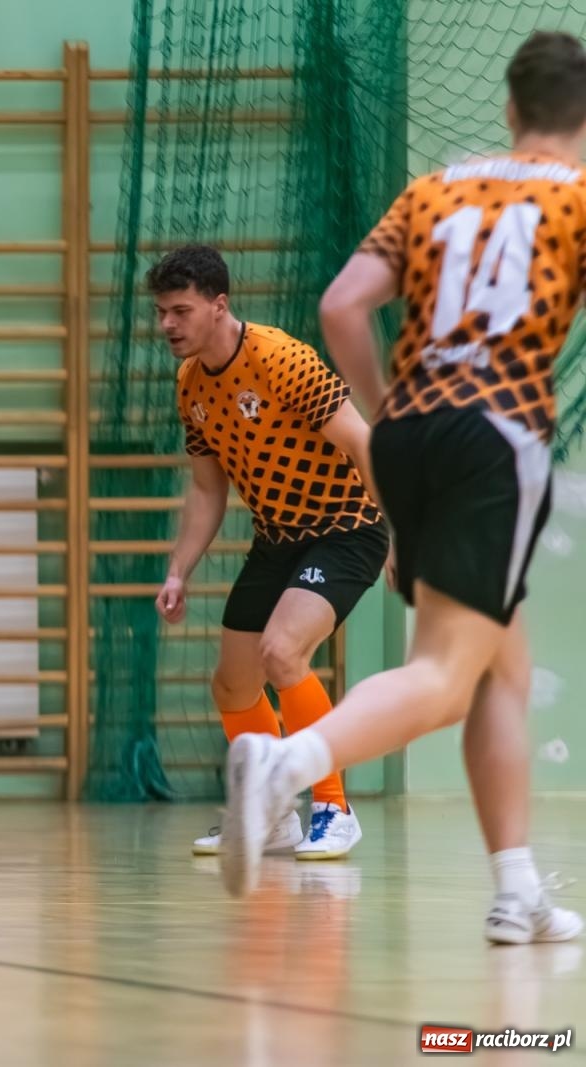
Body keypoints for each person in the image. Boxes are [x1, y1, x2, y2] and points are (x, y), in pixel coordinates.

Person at [218, 31, 586, 945]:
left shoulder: (435, 190)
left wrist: (386, 420)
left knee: (499, 656)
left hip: (411, 432)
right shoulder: (578, 200)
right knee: (444, 675)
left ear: (508, 108)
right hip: (493, 437)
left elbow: (344, 303)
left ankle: (517, 889)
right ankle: (287, 764)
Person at [150, 245, 388, 860]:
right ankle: (271, 814)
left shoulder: (281, 359)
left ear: (218, 304)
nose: (168, 325)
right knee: (231, 685)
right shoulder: (190, 385)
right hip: (277, 536)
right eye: (161, 312)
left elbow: (365, 443)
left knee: (283, 653)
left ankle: (333, 806)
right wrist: (179, 570)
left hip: (347, 525)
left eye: (180, 310)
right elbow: (208, 489)